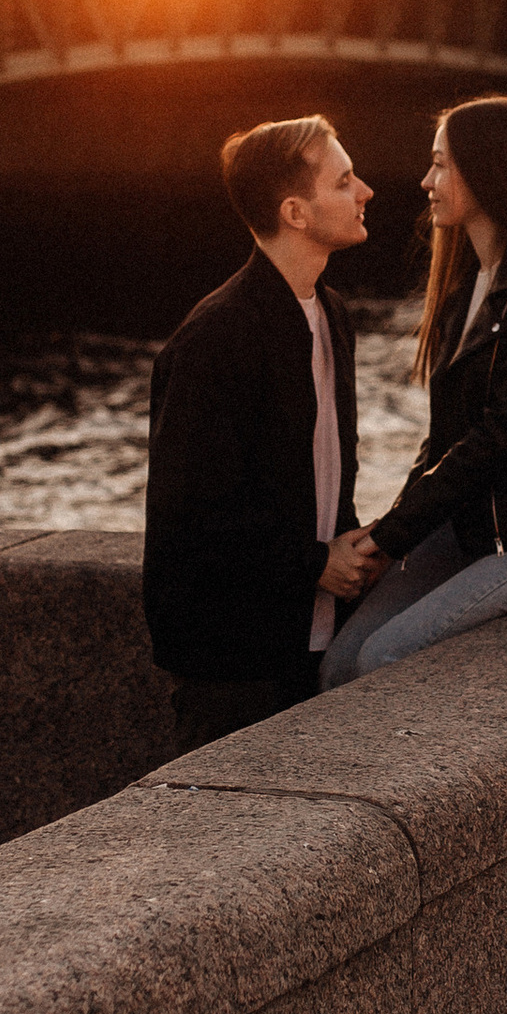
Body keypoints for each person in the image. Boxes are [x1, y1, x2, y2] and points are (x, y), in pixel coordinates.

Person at [322, 94, 507, 684]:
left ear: (489, 172)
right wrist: (388, 533)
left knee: (382, 661)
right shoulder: (467, 285)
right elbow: (445, 442)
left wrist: (393, 536)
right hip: (477, 527)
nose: (425, 180)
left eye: (441, 165)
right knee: (339, 664)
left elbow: (500, 437)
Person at [144, 116, 380, 747]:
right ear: (295, 212)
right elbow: (190, 520)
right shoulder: (213, 341)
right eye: (345, 181)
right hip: (235, 664)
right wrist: (313, 564)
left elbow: (326, 475)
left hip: (314, 641)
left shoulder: (331, 314)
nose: (366, 192)